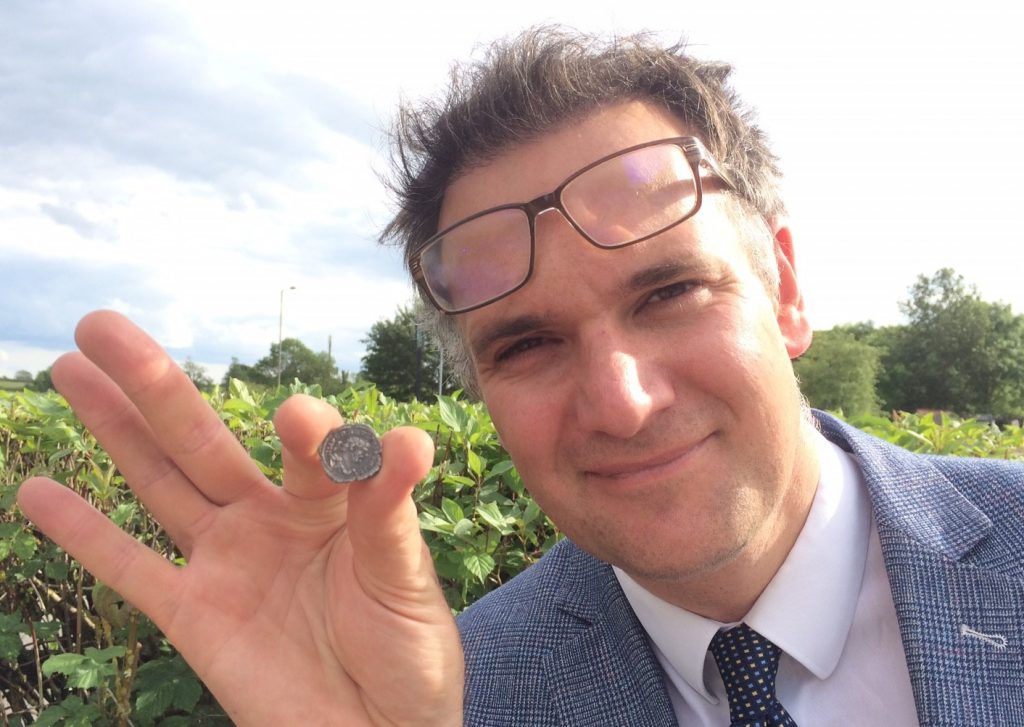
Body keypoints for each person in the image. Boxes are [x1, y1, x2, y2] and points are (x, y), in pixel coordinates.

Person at [17, 27, 1024, 726]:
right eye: (527, 345)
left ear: (787, 291)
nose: (622, 402)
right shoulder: (457, 690)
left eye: (670, 292)